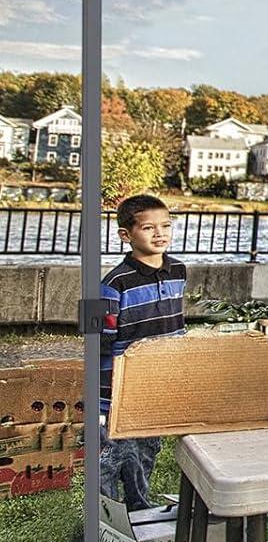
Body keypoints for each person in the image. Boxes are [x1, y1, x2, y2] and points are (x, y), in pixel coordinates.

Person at [100, 194, 187, 510]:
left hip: (157, 387)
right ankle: (105, 520)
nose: (160, 234)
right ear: (126, 235)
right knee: (109, 457)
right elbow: (96, 336)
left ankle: (139, 507)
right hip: (115, 391)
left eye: (166, 225)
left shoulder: (178, 270)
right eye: (149, 228)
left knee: (146, 448)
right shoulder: (111, 283)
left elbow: (176, 323)